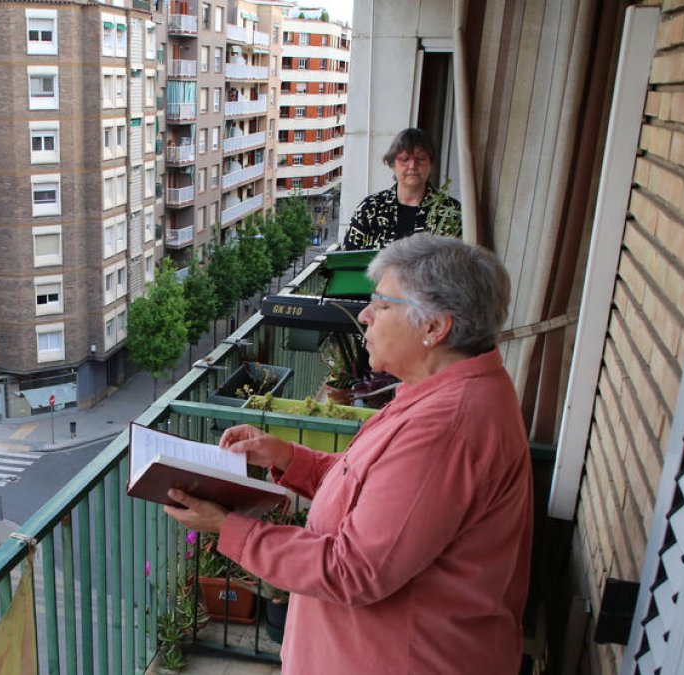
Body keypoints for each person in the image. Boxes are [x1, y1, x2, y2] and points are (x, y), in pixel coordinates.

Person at [164, 234, 532, 674]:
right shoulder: (441, 393)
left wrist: (227, 528)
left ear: (434, 327)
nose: (364, 315)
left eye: (382, 305)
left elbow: (353, 569)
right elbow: (381, 491)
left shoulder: (446, 428)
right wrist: (287, 457)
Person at [342, 128, 461, 250]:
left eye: (420, 158)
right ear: (392, 163)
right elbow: (346, 259)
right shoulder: (370, 209)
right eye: (405, 159)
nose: (412, 165)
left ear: (430, 163)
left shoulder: (450, 211)